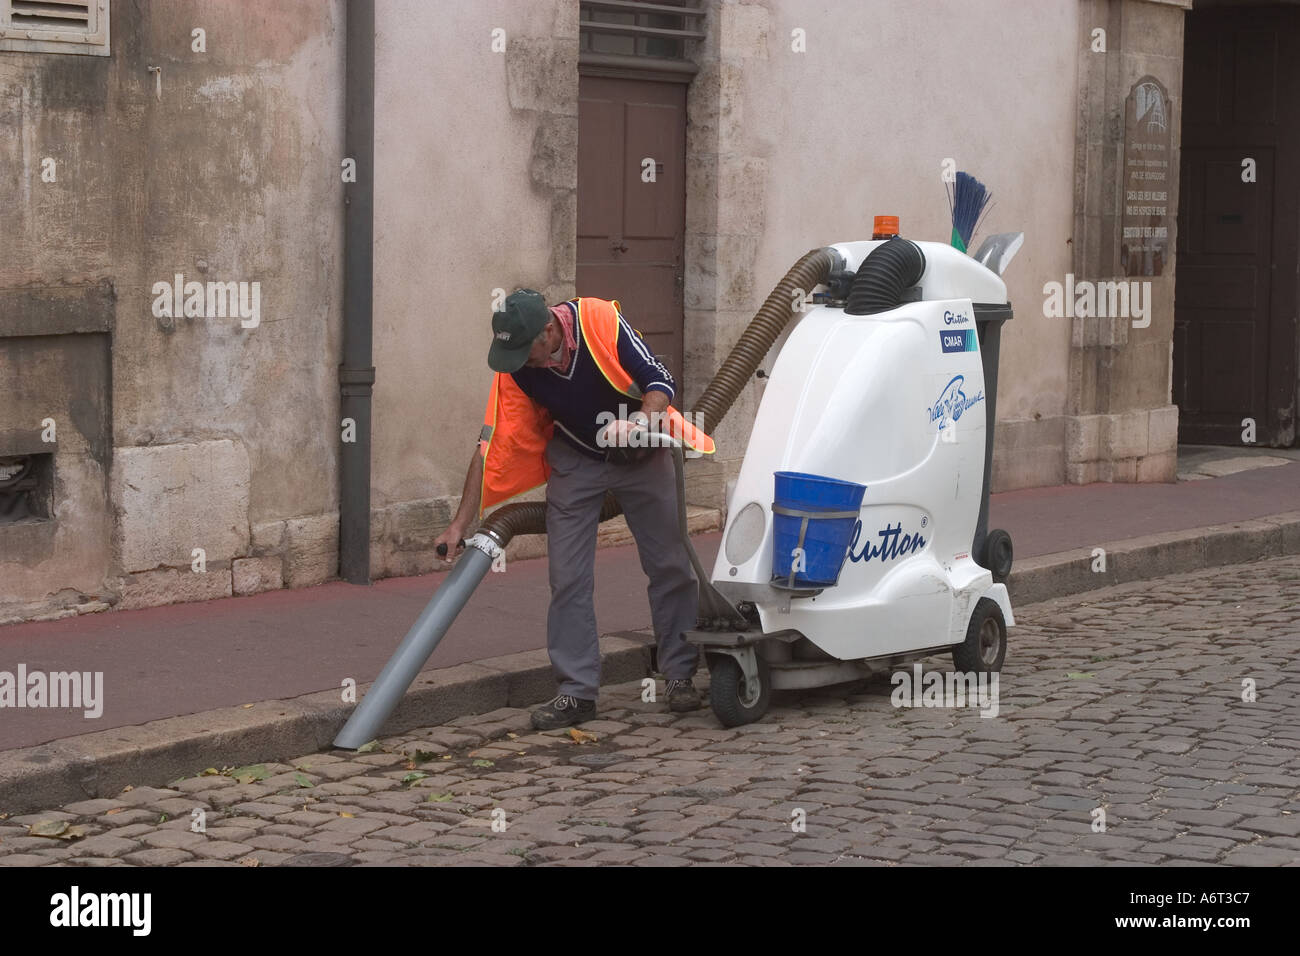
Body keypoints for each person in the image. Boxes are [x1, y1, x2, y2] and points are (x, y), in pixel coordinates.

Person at [433, 290, 715, 729]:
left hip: (642, 455)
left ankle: (679, 675)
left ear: (549, 332)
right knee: (567, 577)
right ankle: (576, 693)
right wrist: (458, 523)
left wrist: (639, 423)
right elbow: (489, 445)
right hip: (578, 458)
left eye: (526, 352)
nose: (520, 362)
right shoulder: (515, 366)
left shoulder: (598, 320)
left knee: (670, 565)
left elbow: (659, 381)